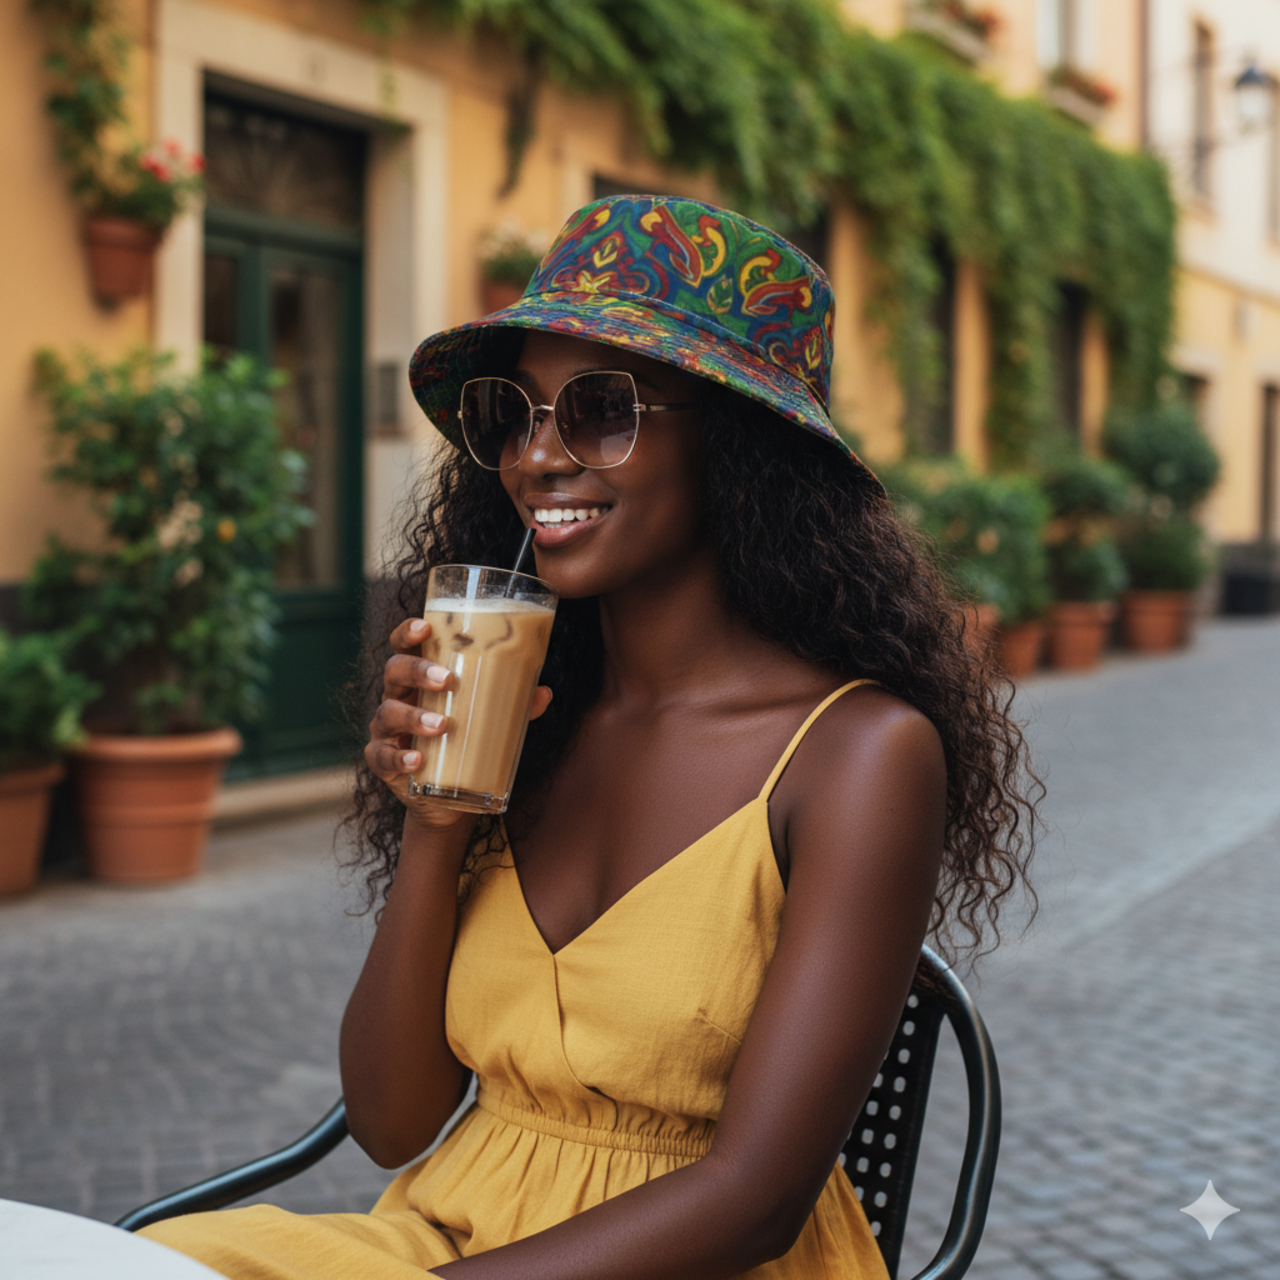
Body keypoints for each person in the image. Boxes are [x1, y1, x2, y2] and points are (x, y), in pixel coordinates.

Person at [143, 194, 1038, 1279]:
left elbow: (751, 1199)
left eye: (600, 409)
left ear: (735, 444)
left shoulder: (857, 755)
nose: (536, 454)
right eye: (515, 411)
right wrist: (434, 820)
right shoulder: (525, 717)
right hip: (445, 1235)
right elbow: (389, 1120)